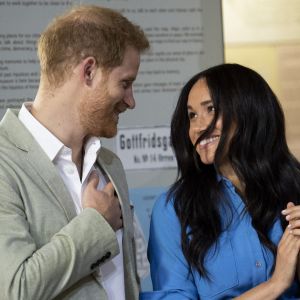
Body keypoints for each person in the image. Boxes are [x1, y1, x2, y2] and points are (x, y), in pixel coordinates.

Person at [0, 4, 149, 300]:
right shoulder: (4, 163)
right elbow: (13, 290)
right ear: (89, 71)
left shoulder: (109, 164)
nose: (131, 101)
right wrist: (95, 224)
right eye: (125, 83)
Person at [140, 63, 300, 299]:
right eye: (192, 115)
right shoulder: (173, 209)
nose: (197, 127)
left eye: (211, 109)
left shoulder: (294, 186)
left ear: (249, 111)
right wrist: (275, 284)